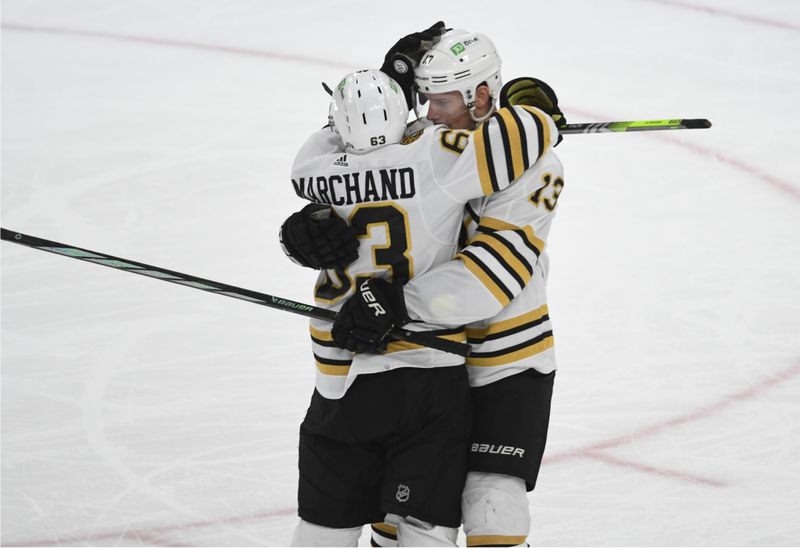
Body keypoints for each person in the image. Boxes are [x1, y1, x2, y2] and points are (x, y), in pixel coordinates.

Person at [282, 25, 567, 547]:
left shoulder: (537, 168)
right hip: (419, 357)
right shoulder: (419, 136)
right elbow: (360, 149)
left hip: (504, 351)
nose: (426, 112)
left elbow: (492, 272)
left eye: (439, 100)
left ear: (482, 96)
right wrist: (307, 229)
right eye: (422, 98)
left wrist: (392, 304)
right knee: (394, 519)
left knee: (492, 498)